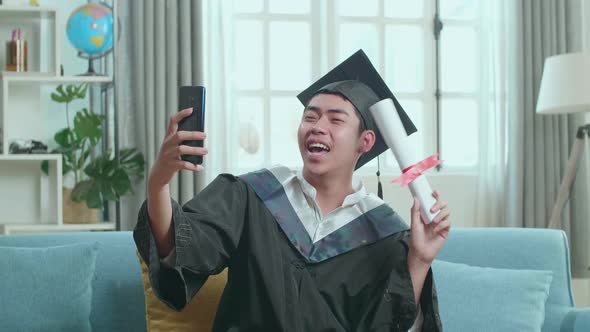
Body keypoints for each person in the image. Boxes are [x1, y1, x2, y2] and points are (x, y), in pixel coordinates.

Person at [134, 50, 451, 331]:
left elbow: (391, 324)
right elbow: (181, 248)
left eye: (335, 119)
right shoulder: (253, 195)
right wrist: (158, 182)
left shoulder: (385, 234)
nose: (317, 126)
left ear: (365, 142)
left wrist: (420, 260)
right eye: (310, 116)